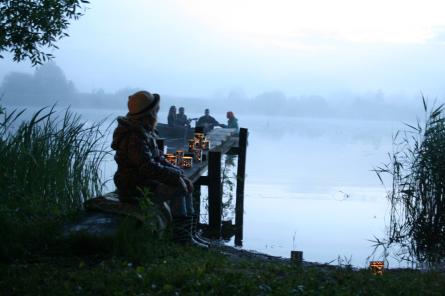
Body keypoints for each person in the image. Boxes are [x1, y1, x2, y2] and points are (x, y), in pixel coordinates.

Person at [111, 91, 207, 247]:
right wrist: (175, 178)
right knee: (179, 188)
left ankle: (190, 234)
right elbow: (147, 167)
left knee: (186, 183)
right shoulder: (134, 136)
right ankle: (181, 239)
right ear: (150, 112)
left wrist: (178, 173)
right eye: (156, 109)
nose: (158, 112)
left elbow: (159, 157)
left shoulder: (144, 130)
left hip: (142, 180)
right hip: (132, 185)